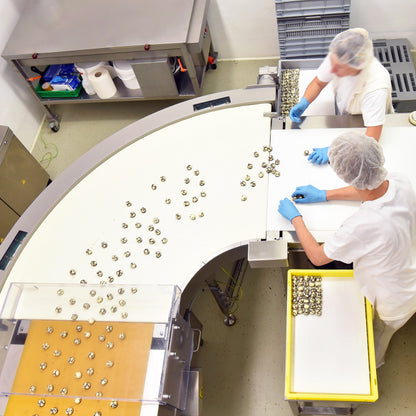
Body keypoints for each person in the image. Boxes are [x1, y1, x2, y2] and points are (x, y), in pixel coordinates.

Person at [278, 131, 416, 367]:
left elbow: (317, 257)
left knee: (378, 334)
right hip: (407, 266)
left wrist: (296, 218)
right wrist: (324, 195)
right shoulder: (399, 180)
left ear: (346, 175)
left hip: (396, 299)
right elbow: (369, 187)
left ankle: (372, 364)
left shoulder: (362, 224)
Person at [289, 28, 394, 165]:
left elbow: (371, 138)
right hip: (347, 114)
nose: (332, 70)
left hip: (366, 123)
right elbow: (318, 83)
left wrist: (335, 151)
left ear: (358, 65)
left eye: (338, 67)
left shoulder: (375, 88)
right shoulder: (340, 56)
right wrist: (304, 102)